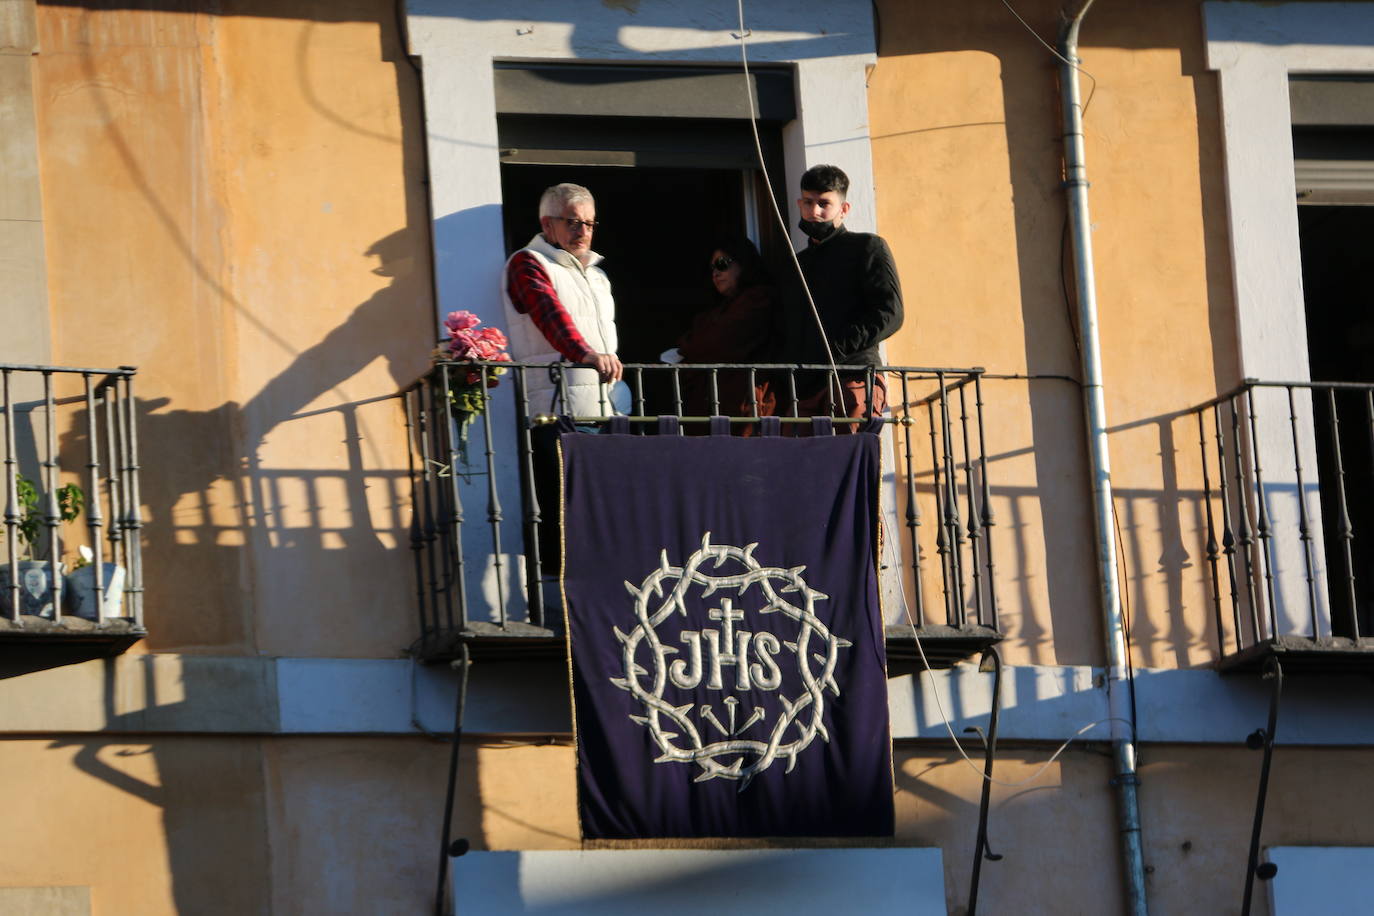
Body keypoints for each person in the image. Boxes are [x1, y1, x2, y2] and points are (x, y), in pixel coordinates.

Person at [782, 163, 903, 428]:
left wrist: (835, 348)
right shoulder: (796, 264)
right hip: (804, 389)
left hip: (852, 376)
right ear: (799, 204)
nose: (814, 211)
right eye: (808, 202)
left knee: (850, 461)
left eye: (824, 203)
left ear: (844, 209)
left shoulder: (867, 247)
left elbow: (890, 313)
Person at [501, 182, 629, 418]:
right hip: (556, 409)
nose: (583, 232)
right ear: (547, 224)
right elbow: (550, 317)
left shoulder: (597, 276)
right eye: (573, 222)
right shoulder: (528, 263)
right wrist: (586, 355)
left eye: (589, 224)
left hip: (607, 406)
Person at [669, 235, 779, 423]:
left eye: (721, 264)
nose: (715, 273)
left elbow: (716, 343)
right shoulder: (719, 308)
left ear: (743, 263)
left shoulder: (759, 299)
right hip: (716, 409)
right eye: (712, 268)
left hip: (746, 408)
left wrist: (688, 347)